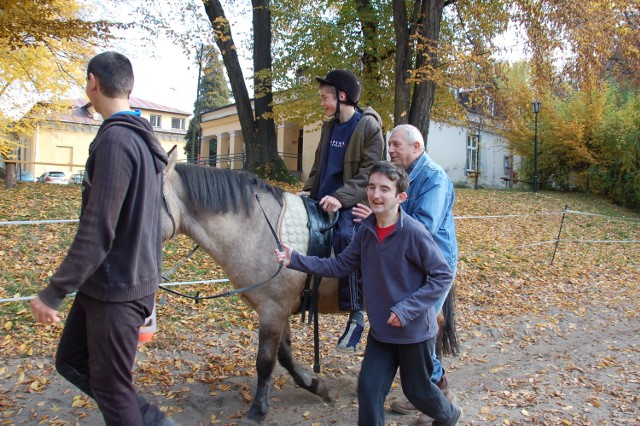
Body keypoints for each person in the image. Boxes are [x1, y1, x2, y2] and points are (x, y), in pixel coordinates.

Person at [30, 51, 177, 426]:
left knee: (112, 389)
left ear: (93, 82)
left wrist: (54, 292)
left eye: (86, 82)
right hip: (111, 283)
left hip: (118, 286)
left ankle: (149, 420)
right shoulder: (141, 139)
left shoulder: (117, 141)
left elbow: (97, 230)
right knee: (71, 361)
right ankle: (151, 420)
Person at [276, 161, 461, 426]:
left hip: (414, 333)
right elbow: (339, 265)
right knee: (369, 390)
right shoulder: (365, 231)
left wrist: (407, 309)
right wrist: (295, 259)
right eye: (372, 187)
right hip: (382, 333)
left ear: (401, 197)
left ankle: (450, 415)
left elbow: (442, 275)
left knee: (417, 392)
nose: (376, 194)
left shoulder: (414, 233)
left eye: (385, 189)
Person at [354, 124, 459, 416]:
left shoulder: (434, 177)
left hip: (435, 266)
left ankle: (436, 394)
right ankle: (423, 390)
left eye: (397, 144)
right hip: (408, 261)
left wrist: (381, 215)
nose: (391, 150)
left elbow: (423, 226)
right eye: (390, 144)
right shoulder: (401, 177)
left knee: (420, 328)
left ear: (417, 147)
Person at [298, 69, 385, 351]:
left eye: (325, 97)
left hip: (349, 201)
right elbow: (318, 165)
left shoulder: (369, 128)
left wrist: (340, 198)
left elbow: (369, 174)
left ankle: (355, 311)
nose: (322, 102)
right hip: (321, 197)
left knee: (346, 237)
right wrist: (308, 190)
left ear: (342, 96)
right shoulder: (329, 126)